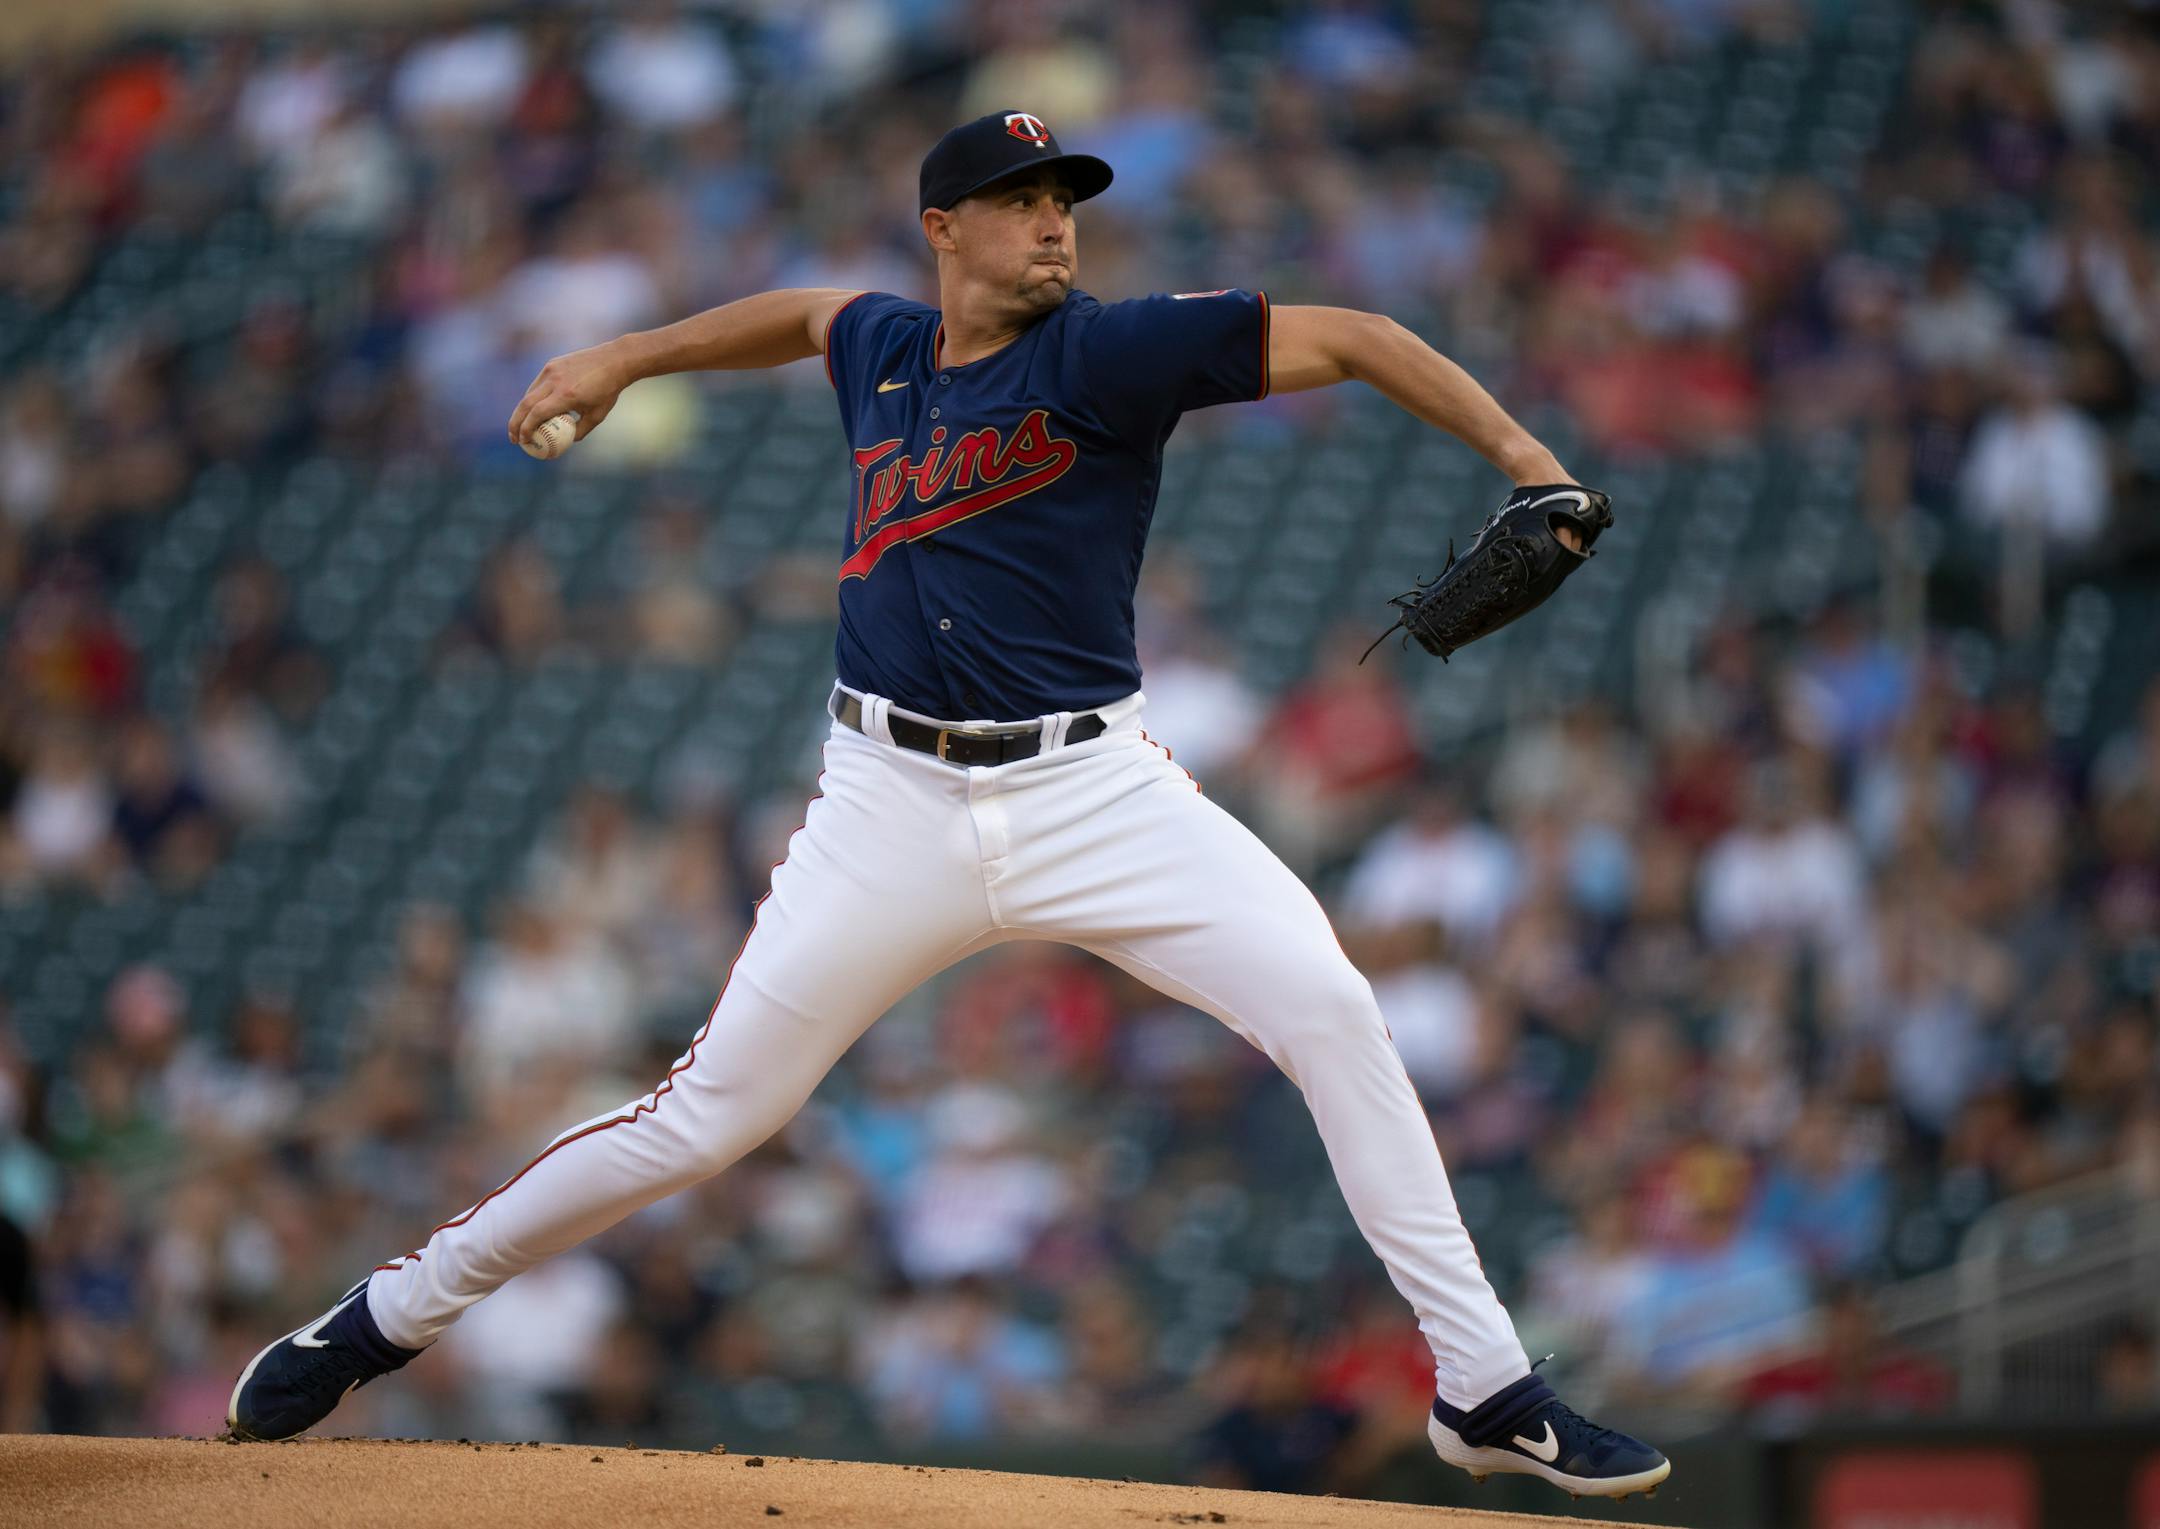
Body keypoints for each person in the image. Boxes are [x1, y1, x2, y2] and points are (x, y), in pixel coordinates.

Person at [227, 109, 1667, 1502]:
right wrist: (623, 355)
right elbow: (802, 313)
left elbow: (1359, 337)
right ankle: (385, 1317)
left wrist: (1534, 466)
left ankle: (1484, 1387)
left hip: (1096, 788)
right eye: (1027, 203)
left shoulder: (1109, 350)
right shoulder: (885, 346)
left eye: (1067, 203)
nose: (1056, 225)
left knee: (1336, 1012)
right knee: (708, 1117)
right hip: (888, 801)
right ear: (945, 228)